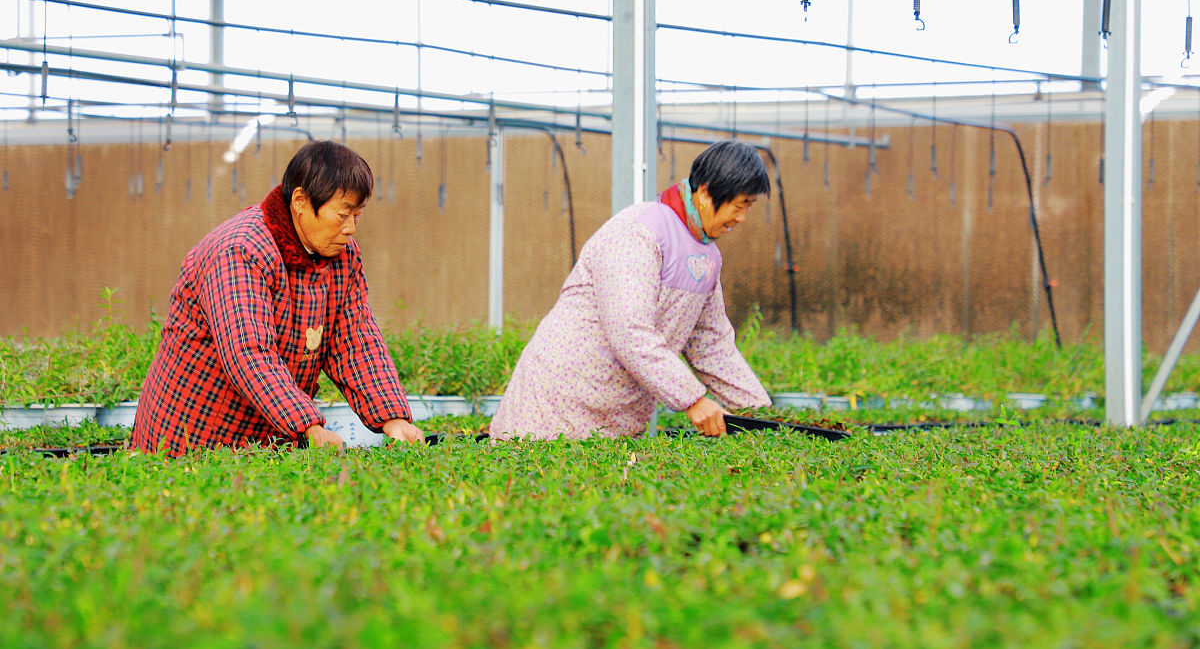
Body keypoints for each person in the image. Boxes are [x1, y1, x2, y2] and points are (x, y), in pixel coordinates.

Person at [132, 140, 423, 455]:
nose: (351, 228)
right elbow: (248, 352)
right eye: (342, 215)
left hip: (269, 437)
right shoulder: (240, 251)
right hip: (193, 434)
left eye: (357, 215)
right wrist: (308, 426)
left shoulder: (342, 255)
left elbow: (355, 339)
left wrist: (392, 418)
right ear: (300, 201)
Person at [490, 138, 773, 441]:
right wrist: (693, 400)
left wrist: (761, 415)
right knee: (544, 468)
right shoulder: (638, 232)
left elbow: (710, 344)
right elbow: (629, 331)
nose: (742, 218)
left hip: (615, 415)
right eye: (740, 205)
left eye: (749, 207)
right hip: (558, 400)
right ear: (705, 192)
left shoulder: (707, 256)